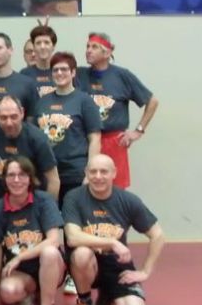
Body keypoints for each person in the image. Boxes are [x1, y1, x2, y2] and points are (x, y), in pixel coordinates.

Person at [63, 154, 167, 305]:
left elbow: (158, 235)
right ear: (86, 173)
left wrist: (145, 271)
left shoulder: (128, 200)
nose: (98, 177)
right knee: (81, 253)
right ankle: (85, 303)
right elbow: (73, 238)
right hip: (88, 265)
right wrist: (112, 242)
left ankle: (107, 294)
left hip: (117, 266)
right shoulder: (74, 197)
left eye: (104, 172)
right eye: (93, 172)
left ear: (114, 173)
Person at [0, 156, 66, 305]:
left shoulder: (44, 201)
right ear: (4, 179)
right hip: (21, 272)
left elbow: (54, 240)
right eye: (11, 175)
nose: (16, 180)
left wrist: (20, 257)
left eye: (22, 175)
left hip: (51, 266)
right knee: (8, 292)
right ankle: (27, 296)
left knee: (49, 252)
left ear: (31, 178)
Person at [77, 32, 159, 188]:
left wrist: (138, 131)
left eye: (94, 47)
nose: (88, 50)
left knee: (114, 191)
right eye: (87, 46)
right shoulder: (79, 74)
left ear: (107, 52)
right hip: (85, 141)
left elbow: (152, 101)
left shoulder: (122, 76)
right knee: (85, 190)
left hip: (113, 142)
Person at [34, 51, 101, 206]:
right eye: (55, 70)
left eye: (64, 69)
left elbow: (95, 138)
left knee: (73, 217)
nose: (59, 73)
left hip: (74, 173)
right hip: (47, 173)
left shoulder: (84, 101)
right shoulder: (42, 102)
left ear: (73, 72)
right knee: (49, 216)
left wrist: (90, 173)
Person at [0, 95, 59, 203]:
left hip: (33, 201)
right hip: (0, 201)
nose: (9, 123)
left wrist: (48, 208)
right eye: (3, 118)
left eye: (13, 117)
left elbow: (53, 179)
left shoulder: (37, 138)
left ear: (22, 113)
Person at [20, 22, 58, 97]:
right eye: (38, 43)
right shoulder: (24, 74)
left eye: (46, 42)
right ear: (34, 47)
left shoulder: (62, 71)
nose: (42, 47)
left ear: (53, 46)